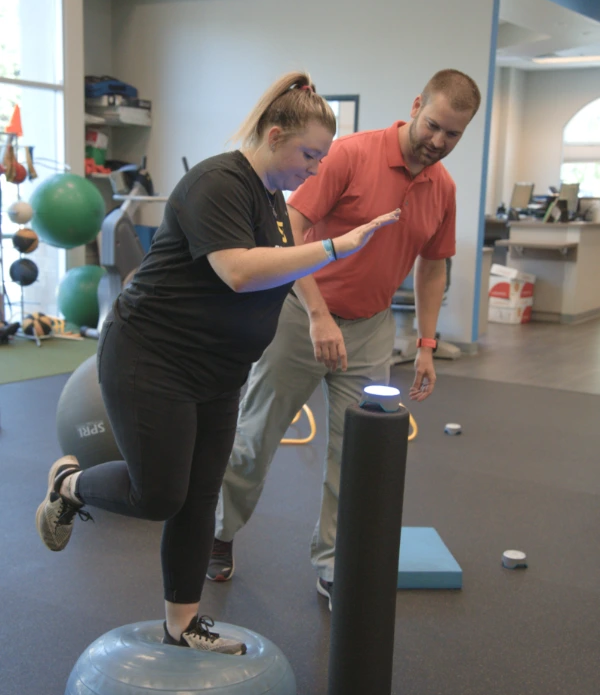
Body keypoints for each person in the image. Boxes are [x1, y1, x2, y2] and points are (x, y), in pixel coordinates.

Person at [35, 71, 400, 654]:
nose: (314, 168)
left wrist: (317, 309)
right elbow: (238, 270)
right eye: (309, 154)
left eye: (321, 158)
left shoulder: (273, 200)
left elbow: (281, 263)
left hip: (219, 370)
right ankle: (69, 484)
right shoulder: (217, 182)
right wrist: (336, 245)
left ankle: (182, 625)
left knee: (201, 495)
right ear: (275, 134)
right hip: (151, 358)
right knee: (160, 496)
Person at [210, 69, 481, 610]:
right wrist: (317, 313)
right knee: (256, 434)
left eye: (453, 134)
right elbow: (288, 227)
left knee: (353, 455)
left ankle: (332, 562)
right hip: (299, 316)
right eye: (433, 126)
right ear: (415, 105)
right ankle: (219, 533)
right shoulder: (349, 156)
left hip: (372, 330)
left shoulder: (443, 187)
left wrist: (426, 345)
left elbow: (432, 270)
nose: (438, 141)